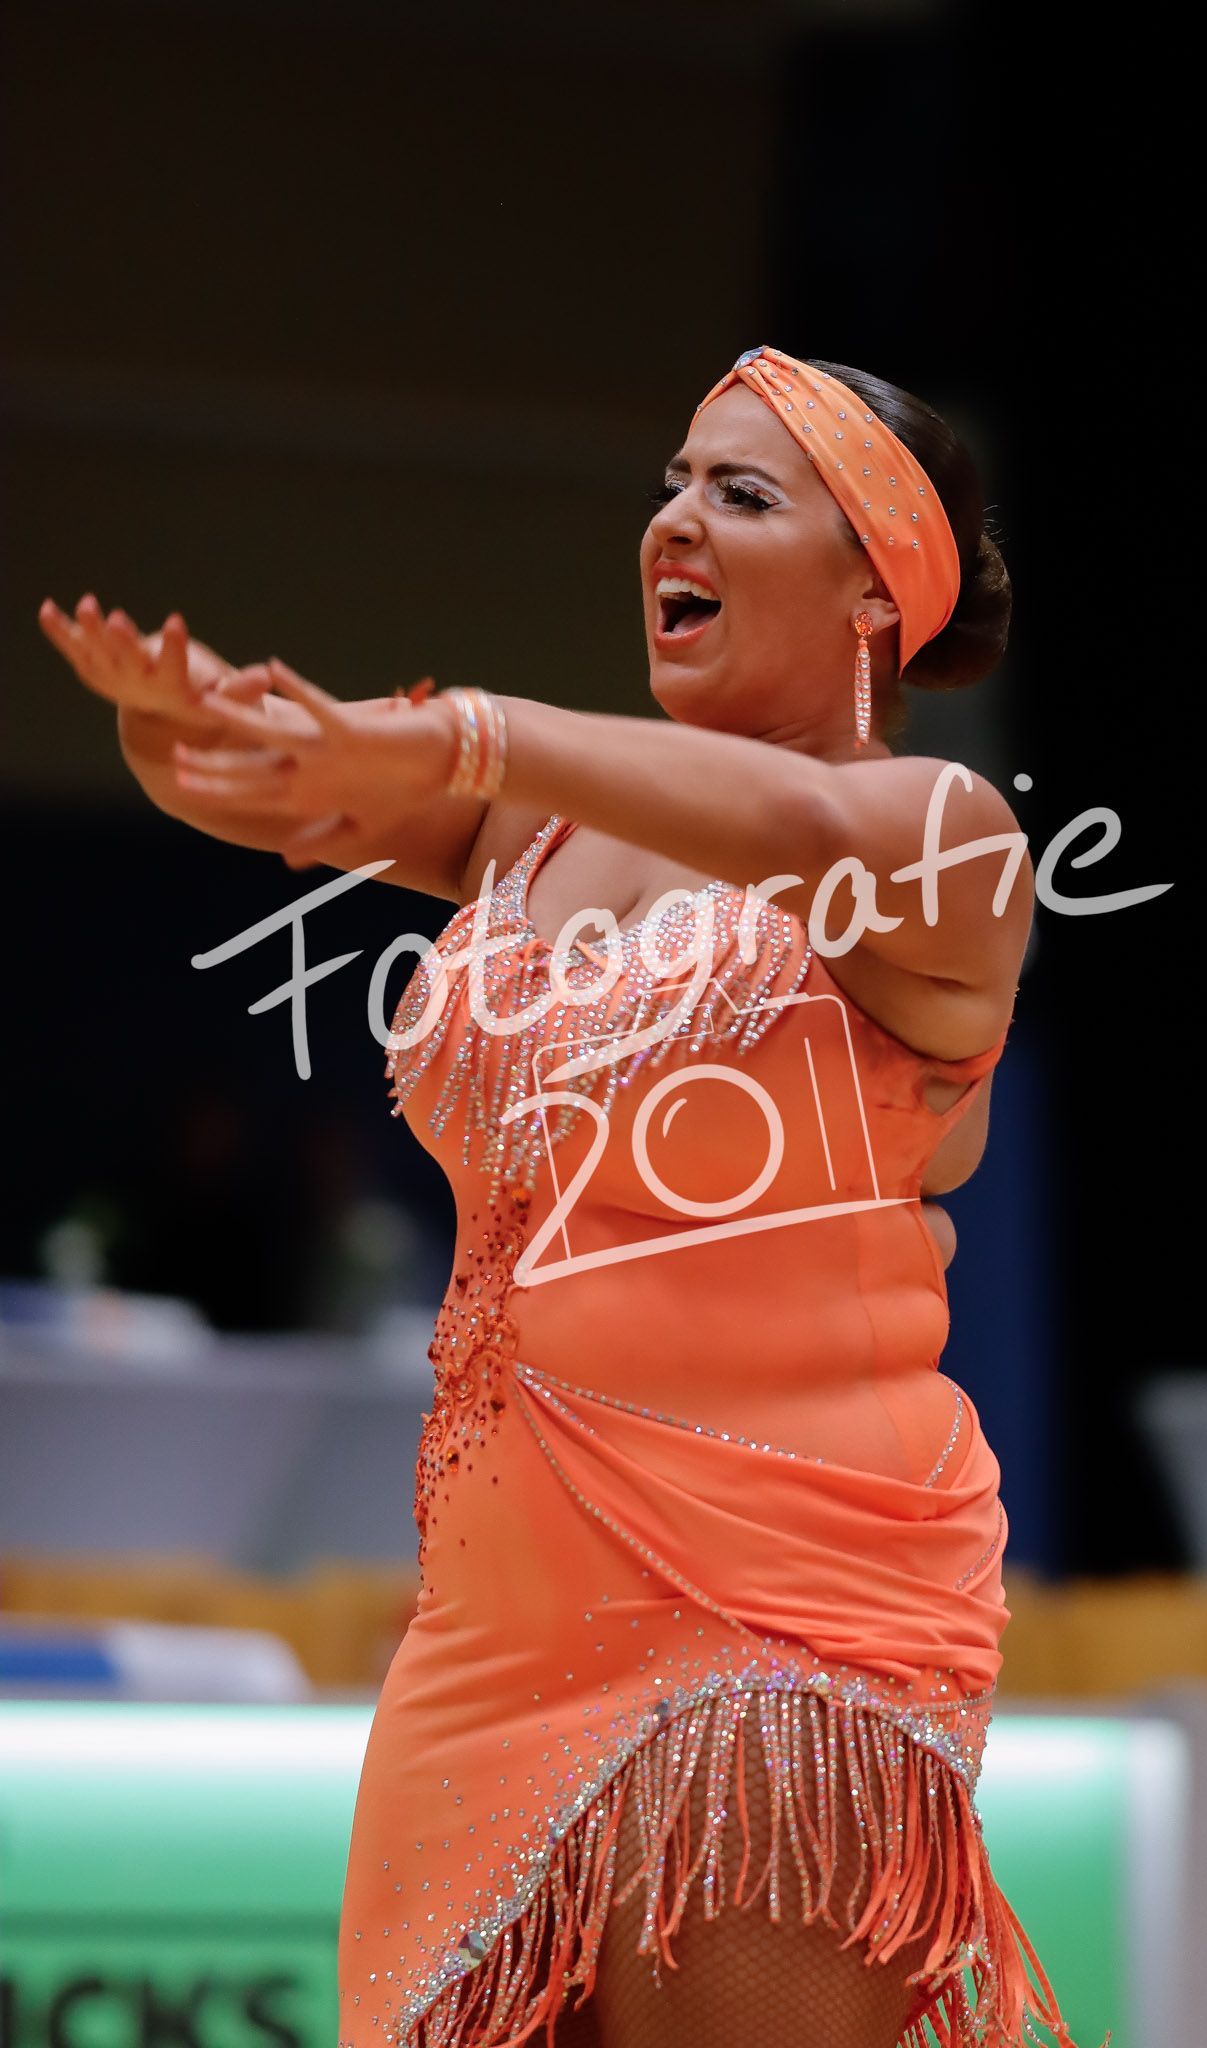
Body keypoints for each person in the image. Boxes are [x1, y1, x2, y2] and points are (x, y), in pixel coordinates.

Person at [39, 346, 1102, 2048]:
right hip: (482, 1653)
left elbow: (787, 820)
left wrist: (472, 727)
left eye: (738, 494)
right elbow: (269, 785)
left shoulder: (938, 833)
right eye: (669, 484)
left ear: (872, 591)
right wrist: (187, 728)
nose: (674, 520)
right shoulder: (532, 835)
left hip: (770, 1617)